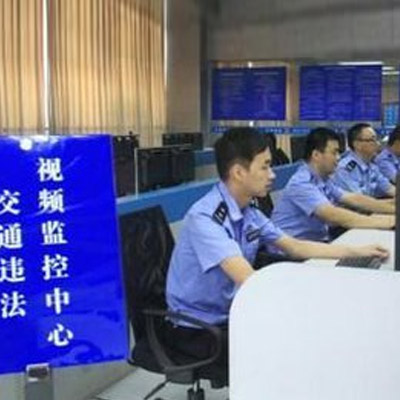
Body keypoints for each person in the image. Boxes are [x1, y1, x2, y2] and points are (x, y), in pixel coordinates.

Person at [165, 127, 389, 381]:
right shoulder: (206, 219)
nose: (272, 175)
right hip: (198, 328)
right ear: (238, 172)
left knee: (308, 332)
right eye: (265, 167)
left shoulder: (248, 211)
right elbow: (248, 279)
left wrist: (357, 251)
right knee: (291, 351)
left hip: (232, 313)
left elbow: (295, 246)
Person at [271, 127, 395, 242]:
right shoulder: (302, 183)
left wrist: (394, 210)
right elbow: (332, 214)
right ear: (316, 155)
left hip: (316, 242)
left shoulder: (322, 179)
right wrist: (385, 221)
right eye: (334, 153)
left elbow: (353, 198)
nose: (339, 158)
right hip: (291, 252)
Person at [333, 123, 396, 197]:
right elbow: (359, 200)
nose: (378, 144)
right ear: (357, 144)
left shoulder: (372, 167)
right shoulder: (345, 169)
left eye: (377, 139)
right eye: (372, 140)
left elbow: (389, 188)